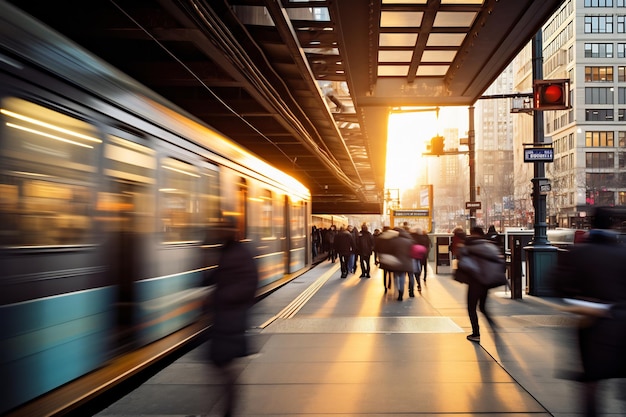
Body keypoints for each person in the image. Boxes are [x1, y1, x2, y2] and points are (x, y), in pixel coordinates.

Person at [552, 207, 626, 417]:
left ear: (591, 225)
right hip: (623, 325)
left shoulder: (578, 253)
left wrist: (582, 298)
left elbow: (557, 285)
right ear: (613, 226)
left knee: (591, 383)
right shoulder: (623, 253)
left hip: (592, 326)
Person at [204, 218, 259, 417]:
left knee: (222, 363)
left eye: (221, 229)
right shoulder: (228, 251)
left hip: (231, 319)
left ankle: (229, 410)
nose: (217, 232)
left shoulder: (239, 252)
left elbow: (248, 284)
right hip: (225, 318)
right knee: (220, 362)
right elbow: (220, 275)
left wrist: (219, 297)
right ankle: (228, 408)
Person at [455, 226, 501, 342]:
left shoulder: (468, 245)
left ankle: (476, 333)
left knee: (472, 307)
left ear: (472, 233)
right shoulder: (489, 245)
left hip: (475, 280)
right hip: (486, 281)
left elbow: (463, 263)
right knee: (483, 307)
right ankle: (493, 325)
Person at [388, 226, 416, 300]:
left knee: (401, 277)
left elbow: (391, 252)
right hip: (409, 261)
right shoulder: (409, 240)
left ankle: (401, 293)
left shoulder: (393, 241)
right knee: (411, 276)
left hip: (399, 262)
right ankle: (411, 292)